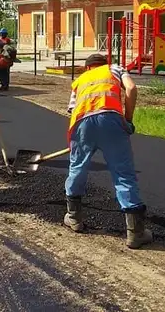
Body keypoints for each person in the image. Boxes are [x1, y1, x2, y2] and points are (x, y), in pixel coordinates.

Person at [63, 54, 152, 249]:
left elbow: (72, 109)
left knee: (77, 168)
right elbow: (131, 88)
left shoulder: (79, 81)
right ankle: (135, 233)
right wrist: (128, 120)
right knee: (123, 174)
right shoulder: (114, 69)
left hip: (82, 123)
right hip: (111, 120)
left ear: (88, 68)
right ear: (104, 64)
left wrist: (86, 139)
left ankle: (74, 218)